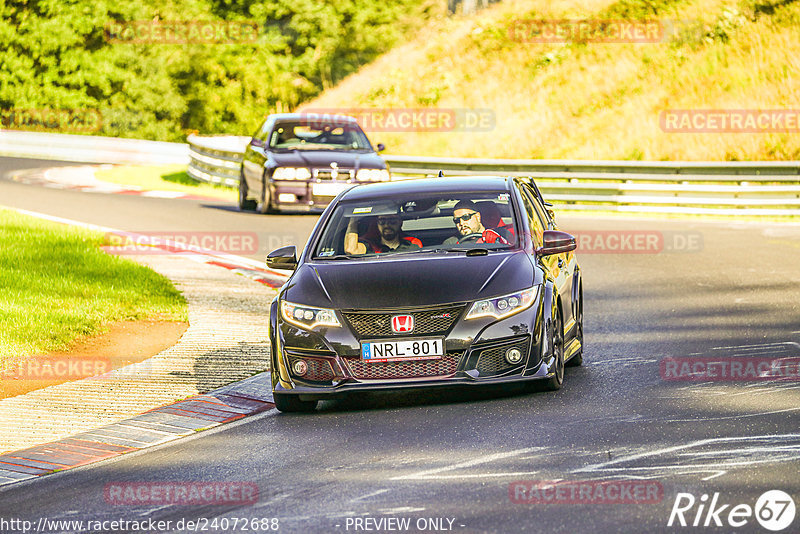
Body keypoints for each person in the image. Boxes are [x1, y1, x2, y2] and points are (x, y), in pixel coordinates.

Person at [344, 213, 422, 254]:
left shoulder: (412, 244)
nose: (387, 225)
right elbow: (351, 250)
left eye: (392, 220)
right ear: (377, 224)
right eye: (382, 221)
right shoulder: (370, 246)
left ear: (400, 222)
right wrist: (353, 220)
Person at [445, 199, 512, 245]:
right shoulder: (451, 243)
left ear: (477, 216)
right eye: (456, 220)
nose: (461, 223)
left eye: (466, 217)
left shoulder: (501, 234)